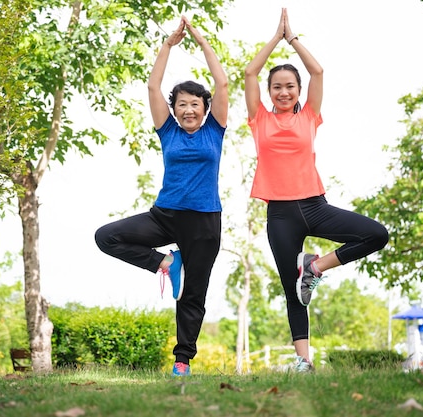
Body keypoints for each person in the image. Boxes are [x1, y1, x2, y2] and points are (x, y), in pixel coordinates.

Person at [244, 8, 389, 372]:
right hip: (279, 214)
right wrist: (273, 40)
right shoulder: (259, 119)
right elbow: (249, 72)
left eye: (289, 86)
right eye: (276, 86)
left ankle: (316, 266)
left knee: (376, 234)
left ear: (298, 91)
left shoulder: (309, 115)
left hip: (314, 205)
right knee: (292, 289)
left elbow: (318, 72)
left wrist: (292, 39)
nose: (283, 91)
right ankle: (303, 362)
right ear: (269, 92)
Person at [95, 15, 228, 377]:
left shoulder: (214, 132)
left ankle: (182, 361)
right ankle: (166, 264)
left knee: (193, 296)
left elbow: (222, 82)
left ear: (205, 107)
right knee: (106, 237)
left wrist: (203, 44)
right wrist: (168, 46)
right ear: (174, 109)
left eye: (195, 104)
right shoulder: (167, 131)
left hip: (203, 222)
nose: (188, 109)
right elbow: (153, 87)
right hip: (165, 214)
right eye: (182, 104)